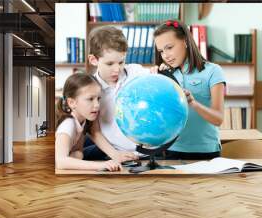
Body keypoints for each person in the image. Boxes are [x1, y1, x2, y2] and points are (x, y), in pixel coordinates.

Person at [153, 20, 226, 160]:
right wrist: (155, 81)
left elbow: (218, 119)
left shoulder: (213, 71)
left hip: (206, 151)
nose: (166, 55)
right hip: (171, 151)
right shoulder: (164, 75)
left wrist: (194, 103)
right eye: (161, 51)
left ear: (185, 41)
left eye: (169, 47)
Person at [85, 25, 152, 162]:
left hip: (148, 151)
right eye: (109, 64)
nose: (117, 69)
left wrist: (158, 71)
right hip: (113, 152)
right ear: (93, 60)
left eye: (121, 62)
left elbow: (158, 82)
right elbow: (94, 131)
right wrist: (115, 155)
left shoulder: (136, 72)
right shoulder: (90, 88)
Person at [55, 73, 121, 171]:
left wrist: (78, 154)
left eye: (98, 99)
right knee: (97, 151)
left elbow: (79, 151)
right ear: (72, 103)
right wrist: (101, 165)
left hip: (72, 152)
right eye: (90, 99)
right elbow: (60, 162)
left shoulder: (84, 119)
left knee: (95, 150)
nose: (97, 105)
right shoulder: (67, 125)